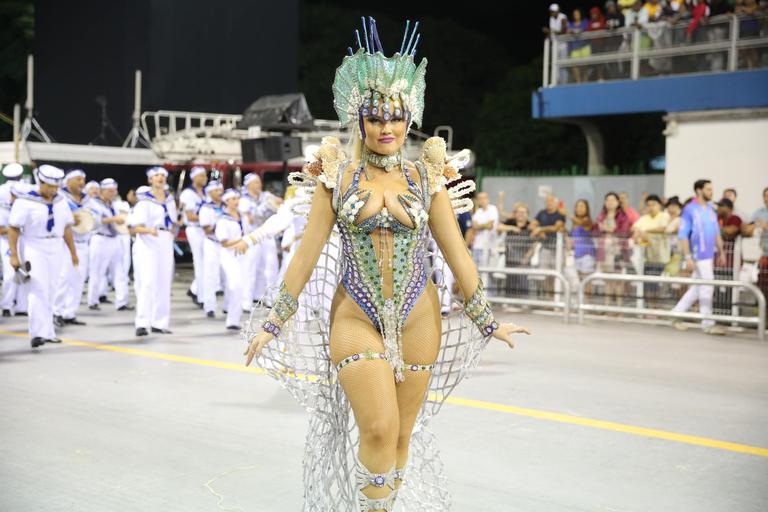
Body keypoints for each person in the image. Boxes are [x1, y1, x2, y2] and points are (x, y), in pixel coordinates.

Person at [240, 18, 530, 511]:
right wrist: (274, 320)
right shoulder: (337, 175)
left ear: (409, 118)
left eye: (396, 118)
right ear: (360, 121)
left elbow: (456, 253)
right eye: (376, 119)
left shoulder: (427, 175)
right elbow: (306, 255)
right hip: (355, 314)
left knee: (399, 436)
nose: (387, 128)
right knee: (377, 426)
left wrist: (487, 319)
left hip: (421, 317)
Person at [7, 164, 78, 347]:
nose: (53, 190)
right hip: (33, 244)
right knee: (37, 288)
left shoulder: (60, 201)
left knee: (52, 288)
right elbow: (14, 228)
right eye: (49, 186)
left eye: (55, 186)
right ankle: (36, 333)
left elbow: (66, 228)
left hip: (55, 245)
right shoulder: (25, 201)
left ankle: (48, 331)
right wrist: (14, 255)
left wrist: (73, 252)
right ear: (40, 182)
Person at [671, 179, 727, 335]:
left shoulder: (710, 210)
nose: (711, 192)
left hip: (709, 254)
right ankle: (707, 324)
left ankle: (675, 315)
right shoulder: (689, 210)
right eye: (708, 189)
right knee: (707, 286)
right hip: (697, 254)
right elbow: (683, 234)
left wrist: (721, 251)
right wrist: (688, 256)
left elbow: (716, 232)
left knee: (696, 288)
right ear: (699, 190)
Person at [128, 167, 176, 336]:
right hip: (148, 240)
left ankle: (160, 322)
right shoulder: (144, 201)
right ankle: (142, 322)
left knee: (164, 282)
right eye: (156, 176)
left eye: (163, 175)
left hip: (165, 239)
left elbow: (173, 221)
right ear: (150, 180)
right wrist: (149, 231)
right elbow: (133, 228)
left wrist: (172, 232)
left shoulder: (170, 200)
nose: (160, 178)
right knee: (147, 282)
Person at [53, 169, 90, 326]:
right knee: (64, 278)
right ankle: (56, 311)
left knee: (78, 279)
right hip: (66, 243)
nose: (82, 182)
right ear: (68, 181)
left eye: (84, 179)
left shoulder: (87, 199)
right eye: (78, 179)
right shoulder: (60, 198)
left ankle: (69, 312)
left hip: (84, 243)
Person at [86, 178, 130, 311]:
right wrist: (113, 219)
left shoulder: (115, 205)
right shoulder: (93, 203)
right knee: (97, 271)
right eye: (110, 191)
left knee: (120, 271)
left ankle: (122, 301)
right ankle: (93, 300)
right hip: (100, 238)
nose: (113, 193)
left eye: (114, 190)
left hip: (114, 238)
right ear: (102, 191)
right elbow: (94, 221)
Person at [239, 172, 281, 309]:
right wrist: (266, 206)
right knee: (250, 269)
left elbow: (281, 203)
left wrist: (274, 204)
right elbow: (252, 218)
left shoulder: (266, 196)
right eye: (255, 182)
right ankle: (245, 301)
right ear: (248, 184)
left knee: (271, 267)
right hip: (252, 238)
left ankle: (267, 298)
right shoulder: (244, 200)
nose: (259, 185)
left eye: (259, 182)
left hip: (267, 236)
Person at [215, 189, 247, 330]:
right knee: (236, 285)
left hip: (242, 254)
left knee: (240, 286)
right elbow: (224, 242)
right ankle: (232, 318)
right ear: (226, 201)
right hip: (229, 255)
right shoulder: (223, 220)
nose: (236, 201)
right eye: (233, 199)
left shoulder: (242, 216)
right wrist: (243, 240)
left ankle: (234, 318)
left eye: (237, 198)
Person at [0, 162, 29, 317]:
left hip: (23, 238)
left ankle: (21, 307)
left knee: (24, 272)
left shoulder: (26, 190)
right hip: (7, 238)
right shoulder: (25, 188)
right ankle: (7, 305)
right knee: (12, 272)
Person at [594, 192, 632, 308]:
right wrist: (603, 229)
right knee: (607, 280)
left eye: (612, 200)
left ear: (617, 202)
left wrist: (610, 230)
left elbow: (624, 232)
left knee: (617, 280)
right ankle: (607, 305)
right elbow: (595, 231)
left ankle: (619, 307)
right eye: (607, 200)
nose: (610, 202)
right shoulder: (601, 216)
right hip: (603, 250)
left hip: (618, 250)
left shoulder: (622, 216)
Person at [632, 194, 670, 305]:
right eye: (648, 205)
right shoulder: (644, 218)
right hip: (646, 257)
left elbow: (663, 228)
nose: (651, 207)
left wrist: (646, 231)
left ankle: (655, 307)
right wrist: (637, 233)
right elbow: (634, 228)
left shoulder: (664, 216)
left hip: (660, 257)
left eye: (653, 204)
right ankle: (649, 306)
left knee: (655, 283)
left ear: (659, 205)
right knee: (647, 283)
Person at [179, 165, 208, 306]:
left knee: (207, 262)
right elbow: (190, 216)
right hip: (195, 229)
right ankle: (200, 295)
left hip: (206, 229)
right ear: (194, 177)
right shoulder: (187, 194)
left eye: (205, 175)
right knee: (199, 262)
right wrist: (209, 219)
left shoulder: (206, 192)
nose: (204, 178)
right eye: (201, 175)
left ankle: (195, 289)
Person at [199, 180, 224, 318]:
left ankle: (228, 306)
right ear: (209, 192)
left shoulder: (227, 206)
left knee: (227, 275)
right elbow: (207, 229)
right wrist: (220, 224)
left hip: (226, 244)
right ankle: (210, 306)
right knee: (210, 274)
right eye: (216, 190)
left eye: (220, 190)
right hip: (212, 243)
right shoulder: (206, 208)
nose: (219, 192)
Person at [497, 204, 534, 298]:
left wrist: (527, 257)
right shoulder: (511, 222)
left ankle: (524, 302)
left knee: (523, 281)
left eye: (523, 212)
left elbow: (534, 244)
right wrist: (512, 228)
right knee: (510, 281)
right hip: (510, 257)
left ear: (527, 214)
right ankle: (509, 302)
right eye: (518, 212)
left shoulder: (530, 226)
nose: (520, 214)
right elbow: (499, 227)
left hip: (524, 259)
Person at [470, 191, 499, 290]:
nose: (482, 200)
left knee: (489, 272)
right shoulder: (478, 212)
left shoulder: (493, 209)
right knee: (477, 272)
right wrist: (484, 225)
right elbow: (474, 226)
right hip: (477, 247)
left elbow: (490, 226)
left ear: (487, 199)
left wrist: (480, 226)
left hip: (488, 247)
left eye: (484, 198)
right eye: (480, 198)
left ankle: (490, 295)